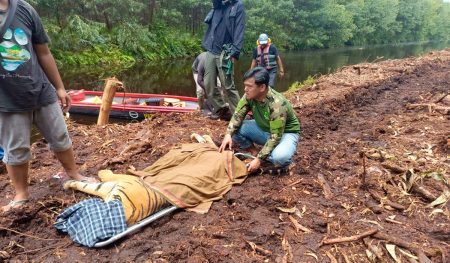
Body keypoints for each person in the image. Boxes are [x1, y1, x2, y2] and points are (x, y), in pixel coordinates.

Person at [0, 0, 93, 212]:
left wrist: (59, 88)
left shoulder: (24, 9)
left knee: (60, 136)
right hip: (7, 99)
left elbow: (43, 52)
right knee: (16, 148)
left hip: (41, 90)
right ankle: (21, 195)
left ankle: (74, 173)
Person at [219, 67, 300, 173]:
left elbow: (275, 137)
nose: (245, 89)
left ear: (262, 87)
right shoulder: (249, 96)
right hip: (265, 129)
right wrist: (228, 134)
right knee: (235, 129)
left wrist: (259, 160)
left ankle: (283, 163)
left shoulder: (277, 103)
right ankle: (254, 152)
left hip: (285, 133)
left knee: (280, 157)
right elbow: (237, 116)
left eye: (249, 86)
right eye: (245, 85)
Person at [201, 0, 246, 121]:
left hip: (226, 51)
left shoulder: (238, 6)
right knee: (208, 83)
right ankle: (221, 109)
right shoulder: (217, 5)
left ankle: (239, 115)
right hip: (211, 49)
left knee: (228, 85)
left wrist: (235, 51)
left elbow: (239, 29)